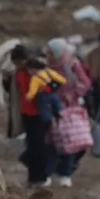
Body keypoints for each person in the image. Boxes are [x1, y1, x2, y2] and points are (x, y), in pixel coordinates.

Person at [5, 46, 67, 187]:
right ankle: (33, 177)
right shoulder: (18, 74)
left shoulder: (37, 70)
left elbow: (53, 85)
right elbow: (14, 91)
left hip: (40, 113)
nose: (18, 65)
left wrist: (43, 90)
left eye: (19, 62)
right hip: (26, 113)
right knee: (32, 145)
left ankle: (42, 176)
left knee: (39, 146)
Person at [45, 39, 94, 187]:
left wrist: (72, 94)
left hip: (70, 110)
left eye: (50, 53)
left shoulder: (72, 65)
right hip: (51, 109)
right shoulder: (46, 67)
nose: (48, 55)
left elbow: (85, 83)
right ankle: (49, 172)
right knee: (51, 143)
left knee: (70, 142)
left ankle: (66, 173)